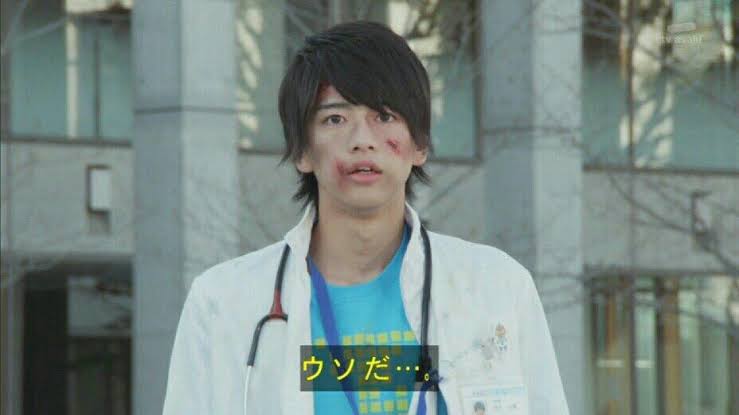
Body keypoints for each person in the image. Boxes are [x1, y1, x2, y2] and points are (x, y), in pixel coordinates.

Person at [162, 21, 569, 414]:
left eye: (384, 116)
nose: (362, 141)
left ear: (420, 145)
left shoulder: (497, 287)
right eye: (335, 119)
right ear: (302, 151)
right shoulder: (222, 303)